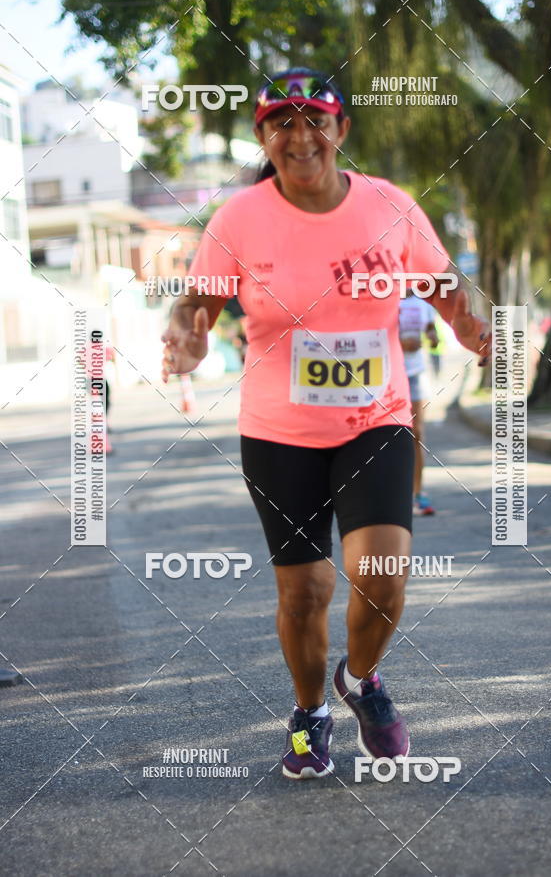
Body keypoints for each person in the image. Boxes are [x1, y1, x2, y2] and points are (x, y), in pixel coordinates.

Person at [161, 67, 491, 780]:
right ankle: (310, 710)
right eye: (281, 120)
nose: (299, 133)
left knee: (382, 574)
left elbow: (447, 286)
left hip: (376, 420)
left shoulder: (389, 206)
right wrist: (184, 338)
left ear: (341, 130)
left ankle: (363, 679)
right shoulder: (239, 218)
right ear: (263, 137)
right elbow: (197, 303)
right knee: (305, 591)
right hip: (279, 431)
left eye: (315, 118)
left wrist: (471, 317)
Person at [398, 289, 438, 515]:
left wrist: (432, 338)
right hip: (389, 376)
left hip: (416, 374)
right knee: (391, 437)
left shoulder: (424, 303)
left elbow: (432, 332)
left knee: (417, 434)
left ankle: (419, 494)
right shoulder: (386, 298)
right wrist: (400, 343)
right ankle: (395, 494)